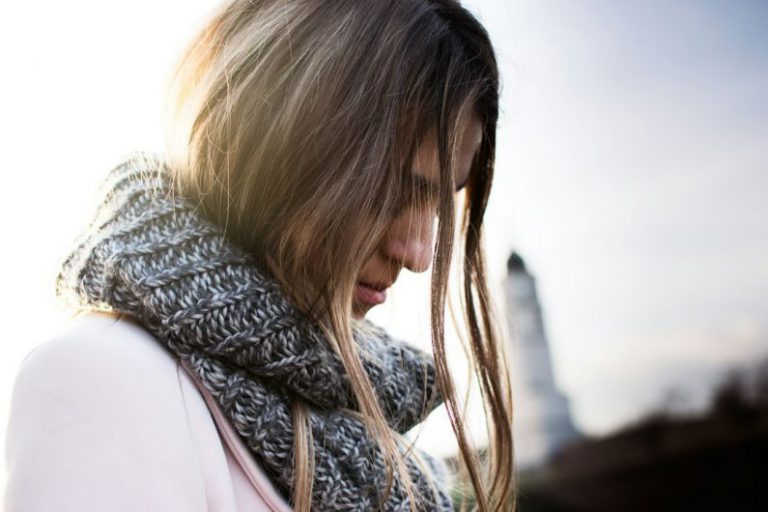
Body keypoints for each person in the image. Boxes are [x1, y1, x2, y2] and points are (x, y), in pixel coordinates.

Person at [4, 0, 516, 510]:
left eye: (439, 202)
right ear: (279, 142)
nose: (420, 254)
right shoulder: (100, 380)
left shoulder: (366, 422)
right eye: (394, 188)